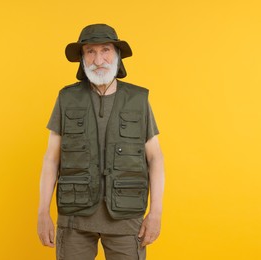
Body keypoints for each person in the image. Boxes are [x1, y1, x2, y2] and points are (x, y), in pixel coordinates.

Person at [37, 23, 165, 260]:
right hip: (75, 217)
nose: (98, 59)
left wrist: (156, 212)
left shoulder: (138, 100)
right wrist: (43, 212)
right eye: (90, 51)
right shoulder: (67, 98)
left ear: (117, 55)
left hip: (126, 217)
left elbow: (155, 158)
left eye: (105, 50)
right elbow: (51, 158)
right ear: (82, 58)